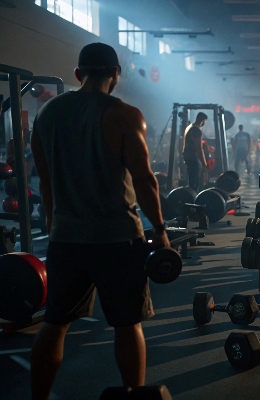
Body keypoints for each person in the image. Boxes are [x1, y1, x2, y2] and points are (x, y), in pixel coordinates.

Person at [29, 42, 170, 400]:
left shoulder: (47, 114)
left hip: (66, 239)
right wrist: (160, 230)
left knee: (54, 323)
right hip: (117, 239)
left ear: (78, 74)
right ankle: (133, 394)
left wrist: (53, 224)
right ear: (116, 75)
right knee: (127, 323)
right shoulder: (124, 114)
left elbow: (45, 181)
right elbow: (144, 179)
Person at [182, 112, 208, 192]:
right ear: (203, 120)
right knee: (195, 182)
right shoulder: (196, 130)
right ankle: (193, 200)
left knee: (191, 179)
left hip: (187, 156)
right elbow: (199, 149)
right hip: (193, 157)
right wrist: (204, 164)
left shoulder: (189, 127)